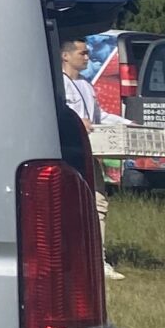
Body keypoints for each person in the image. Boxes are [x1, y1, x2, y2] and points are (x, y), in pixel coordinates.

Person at [59, 37, 124, 281]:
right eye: (82, 53)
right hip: (65, 153)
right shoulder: (57, 85)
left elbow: (99, 117)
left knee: (98, 203)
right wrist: (76, 122)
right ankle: (66, 259)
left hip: (90, 153)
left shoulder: (86, 84)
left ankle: (98, 261)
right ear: (65, 56)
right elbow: (57, 114)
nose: (87, 58)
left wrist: (127, 124)